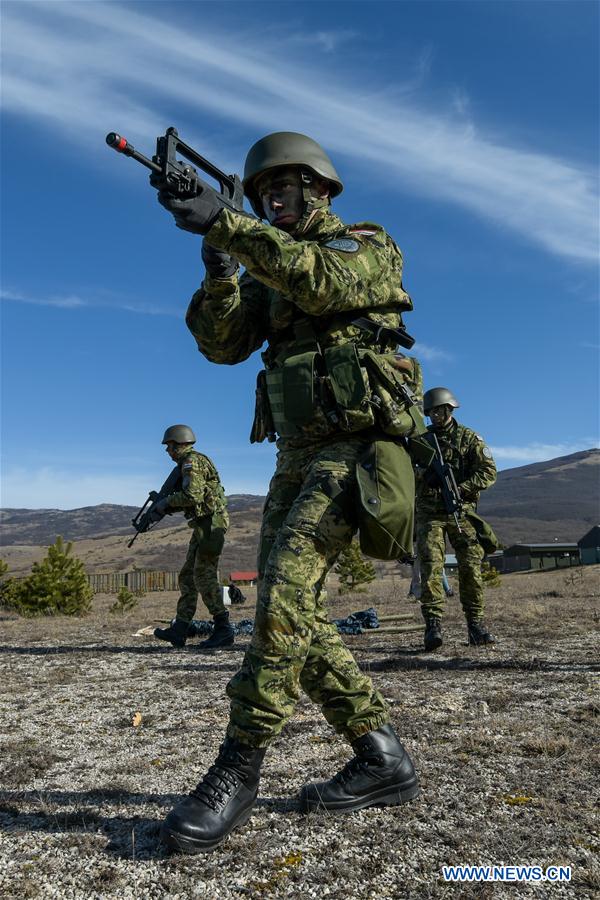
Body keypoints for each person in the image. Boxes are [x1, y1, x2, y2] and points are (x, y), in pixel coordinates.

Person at [155, 132, 421, 853]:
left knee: (278, 597)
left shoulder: (365, 244)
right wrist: (218, 268)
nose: (272, 201)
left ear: (320, 190)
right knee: (293, 613)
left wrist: (227, 225)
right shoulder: (265, 266)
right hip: (295, 458)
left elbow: (322, 282)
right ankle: (382, 757)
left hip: (358, 453)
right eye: (262, 193)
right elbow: (221, 344)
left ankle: (238, 768)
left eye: (284, 189)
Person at [415, 388, 497, 651]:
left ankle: (475, 625)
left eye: (440, 410)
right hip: (430, 514)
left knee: (471, 568)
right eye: (432, 412)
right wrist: (423, 477)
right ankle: (433, 627)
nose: (436, 416)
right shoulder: (421, 441)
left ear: (450, 409)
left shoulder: (469, 438)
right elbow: (405, 474)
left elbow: (488, 472)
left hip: (462, 511)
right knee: (430, 568)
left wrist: (461, 488)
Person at [151, 424, 233, 650]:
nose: (167, 451)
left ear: (179, 443)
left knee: (203, 575)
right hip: (202, 523)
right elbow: (193, 497)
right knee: (188, 575)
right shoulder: (188, 463)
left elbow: (192, 495)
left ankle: (223, 628)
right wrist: (165, 506)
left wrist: (166, 503)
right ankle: (180, 629)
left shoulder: (191, 462)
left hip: (211, 524)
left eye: (169, 446)